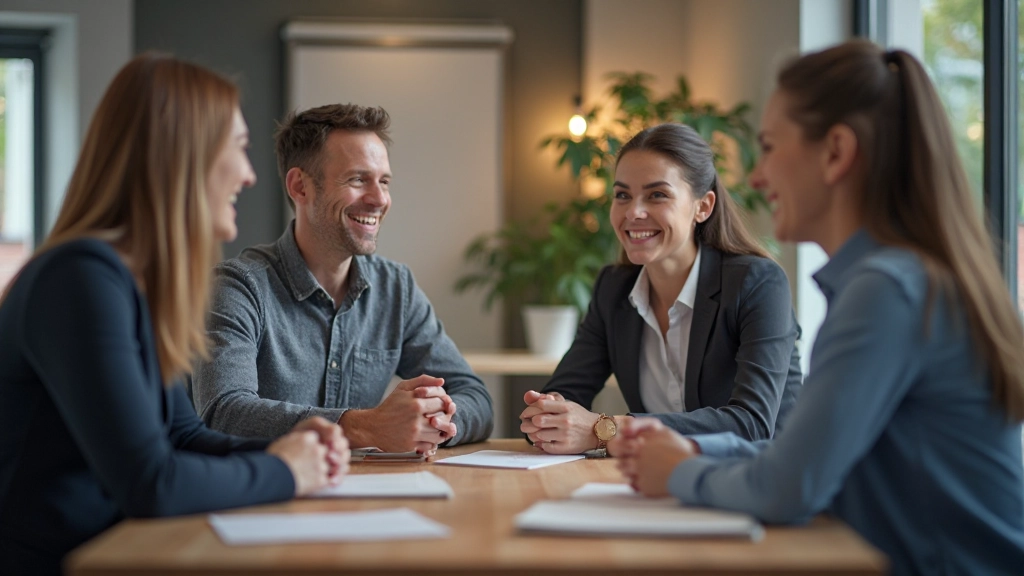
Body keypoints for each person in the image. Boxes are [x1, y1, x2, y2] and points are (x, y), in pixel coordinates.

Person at [611, 40, 1024, 576]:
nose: (756, 179)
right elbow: (808, 461)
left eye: (768, 148)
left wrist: (680, 473)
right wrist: (695, 455)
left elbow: (790, 489)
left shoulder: (887, 292)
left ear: (835, 153)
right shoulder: (896, 281)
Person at [0, 54, 349, 576]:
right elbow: (151, 483)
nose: (251, 175)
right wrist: (283, 471)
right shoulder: (78, 279)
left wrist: (291, 446)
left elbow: (182, 436)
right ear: (181, 156)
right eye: (238, 148)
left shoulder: (128, 285)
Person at [192, 103, 493, 454]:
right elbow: (223, 412)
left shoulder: (396, 289)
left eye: (384, 181)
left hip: (366, 498)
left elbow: (476, 398)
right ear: (300, 187)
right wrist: (364, 427)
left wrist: (432, 423)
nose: (379, 199)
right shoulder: (238, 287)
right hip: (267, 499)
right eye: (357, 179)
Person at [520, 123, 802, 455]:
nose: (634, 212)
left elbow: (752, 425)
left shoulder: (757, 283)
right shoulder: (614, 288)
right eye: (622, 195)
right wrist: (549, 417)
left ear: (703, 206)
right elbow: (566, 393)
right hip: (656, 483)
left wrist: (606, 430)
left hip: (759, 486)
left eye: (657, 195)